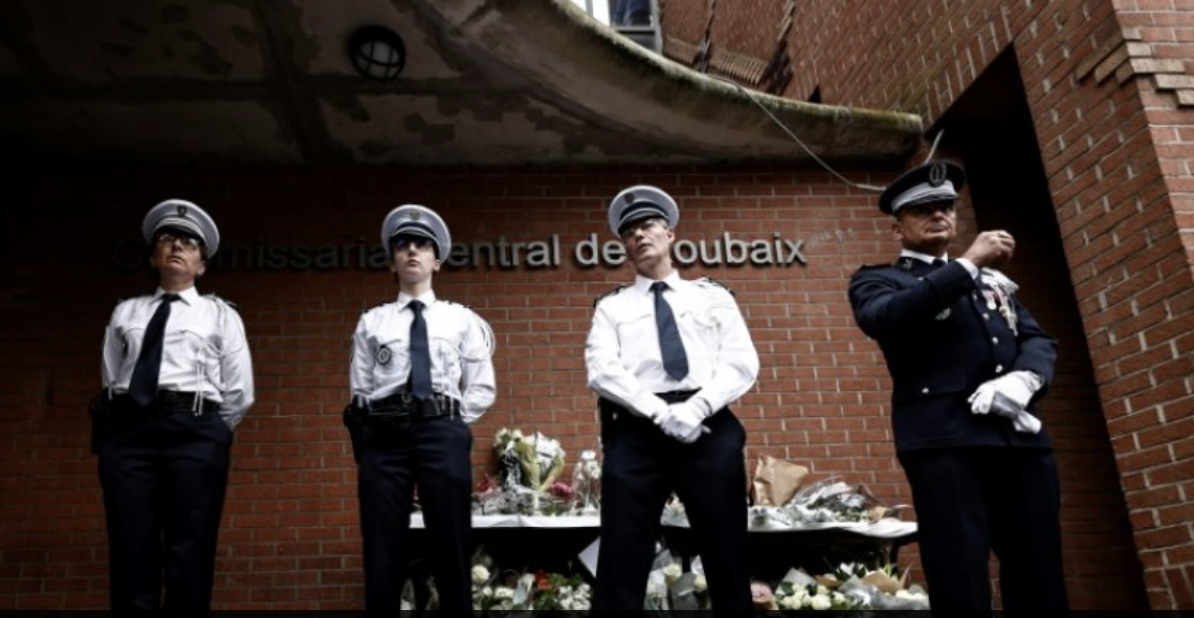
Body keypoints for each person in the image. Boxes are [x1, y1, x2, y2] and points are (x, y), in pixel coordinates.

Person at [848, 160, 1068, 612]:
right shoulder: (880, 279)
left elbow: (1037, 337)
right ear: (897, 229)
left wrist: (1026, 379)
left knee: (1039, 567)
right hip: (945, 440)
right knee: (959, 568)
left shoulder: (993, 281)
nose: (939, 215)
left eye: (946, 206)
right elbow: (883, 318)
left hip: (1018, 440)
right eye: (924, 209)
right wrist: (967, 264)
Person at [585, 185, 759, 612]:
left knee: (725, 543)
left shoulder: (712, 295)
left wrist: (696, 408)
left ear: (670, 233)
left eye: (648, 225)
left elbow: (740, 362)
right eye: (629, 232)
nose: (639, 236)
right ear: (623, 247)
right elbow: (603, 370)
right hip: (638, 428)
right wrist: (661, 413)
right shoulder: (612, 307)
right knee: (622, 548)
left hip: (708, 424)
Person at [93, 199, 255, 611]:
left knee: (191, 545)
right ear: (153, 255)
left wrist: (210, 430)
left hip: (195, 432)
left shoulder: (220, 314)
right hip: (129, 432)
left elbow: (239, 391)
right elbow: (113, 375)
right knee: (131, 544)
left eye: (188, 242)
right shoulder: (126, 311)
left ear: (201, 263)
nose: (177, 246)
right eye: (167, 239)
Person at [344, 204, 496, 612]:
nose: (412, 251)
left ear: (437, 261)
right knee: (382, 545)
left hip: (441, 430)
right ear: (393, 260)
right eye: (403, 245)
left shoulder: (459, 320)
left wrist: (447, 422)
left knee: (451, 541)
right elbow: (361, 390)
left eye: (422, 245)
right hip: (384, 436)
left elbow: (482, 386)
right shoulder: (372, 323)